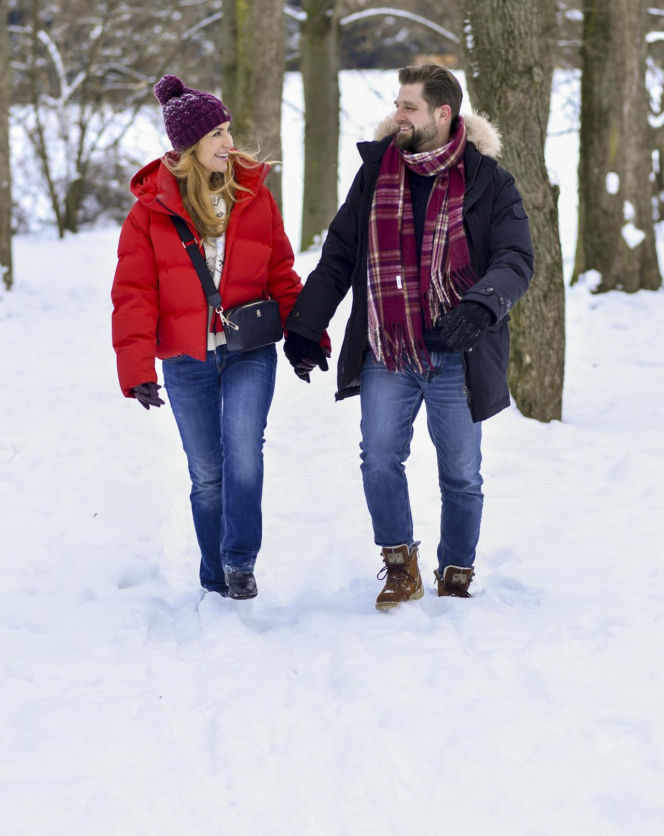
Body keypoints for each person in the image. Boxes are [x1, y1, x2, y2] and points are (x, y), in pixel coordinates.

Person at [283, 64, 534, 610]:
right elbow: (340, 256)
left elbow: (517, 258)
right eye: (398, 104)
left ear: (443, 115)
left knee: (462, 473)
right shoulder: (376, 173)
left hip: (458, 353)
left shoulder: (489, 181)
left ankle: (456, 570)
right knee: (378, 458)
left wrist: (480, 306)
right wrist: (306, 325)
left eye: (409, 107)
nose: (397, 115)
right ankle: (400, 566)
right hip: (388, 348)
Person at [111, 74, 321, 600]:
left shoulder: (254, 198)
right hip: (187, 360)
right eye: (217, 136)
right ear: (188, 149)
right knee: (207, 474)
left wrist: (304, 335)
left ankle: (239, 562)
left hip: (250, 350)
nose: (230, 143)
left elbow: (282, 274)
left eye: (228, 130)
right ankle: (214, 575)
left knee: (243, 451)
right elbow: (133, 296)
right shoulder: (148, 216)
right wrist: (137, 370)